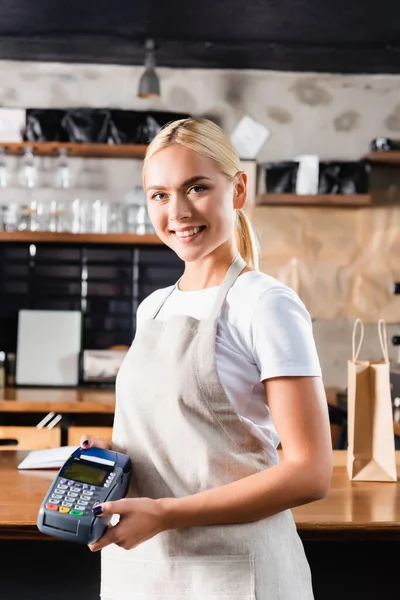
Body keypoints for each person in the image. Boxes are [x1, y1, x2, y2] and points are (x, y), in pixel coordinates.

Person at [80, 117, 332, 599]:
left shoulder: (265, 303)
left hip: (236, 572)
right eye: (159, 194)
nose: (177, 211)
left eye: (196, 187)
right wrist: (114, 451)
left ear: (237, 190)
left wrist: (167, 513)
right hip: (145, 569)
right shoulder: (153, 306)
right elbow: (183, 434)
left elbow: (310, 472)